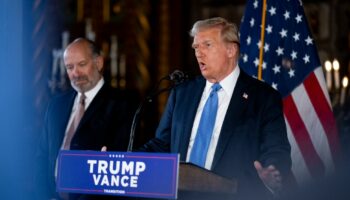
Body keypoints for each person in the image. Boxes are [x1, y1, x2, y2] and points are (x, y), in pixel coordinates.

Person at [139, 17, 292, 200]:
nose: (199, 53)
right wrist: (121, 163)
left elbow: (276, 151)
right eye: (196, 47)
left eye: (207, 45)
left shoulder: (263, 98)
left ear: (231, 50)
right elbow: (160, 145)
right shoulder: (182, 93)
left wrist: (271, 173)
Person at [35, 38, 136, 200]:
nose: (75, 73)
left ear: (98, 63)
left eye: (82, 65)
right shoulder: (56, 105)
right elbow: (42, 157)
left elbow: (122, 165)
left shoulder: (124, 105)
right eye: (69, 67)